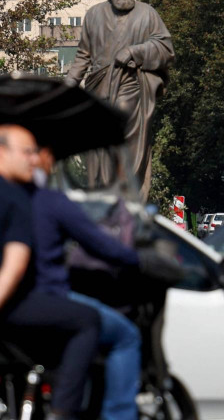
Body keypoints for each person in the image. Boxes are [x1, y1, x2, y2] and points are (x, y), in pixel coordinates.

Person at [28, 145, 143, 420]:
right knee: (126, 336)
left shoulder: (12, 198)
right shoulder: (49, 201)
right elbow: (99, 243)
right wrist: (134, 257)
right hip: (48, 297)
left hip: (15, 304)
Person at [0, 124, 101, 420]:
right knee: (88, 319)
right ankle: (62, 412)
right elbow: (15, 263)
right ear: (2, 151)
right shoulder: (16, 198)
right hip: (12, 306)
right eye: (27, 152)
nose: (33, 159)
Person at [66, 0, 175, 200]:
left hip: (130, 88)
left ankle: (124, 193)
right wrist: (65, 88)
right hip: (98, 89)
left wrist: (135, 51)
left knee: (122, 132)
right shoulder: (94, 16)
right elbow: (83, 57)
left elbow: (166, 49)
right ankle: (105, 195)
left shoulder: (148, 14)